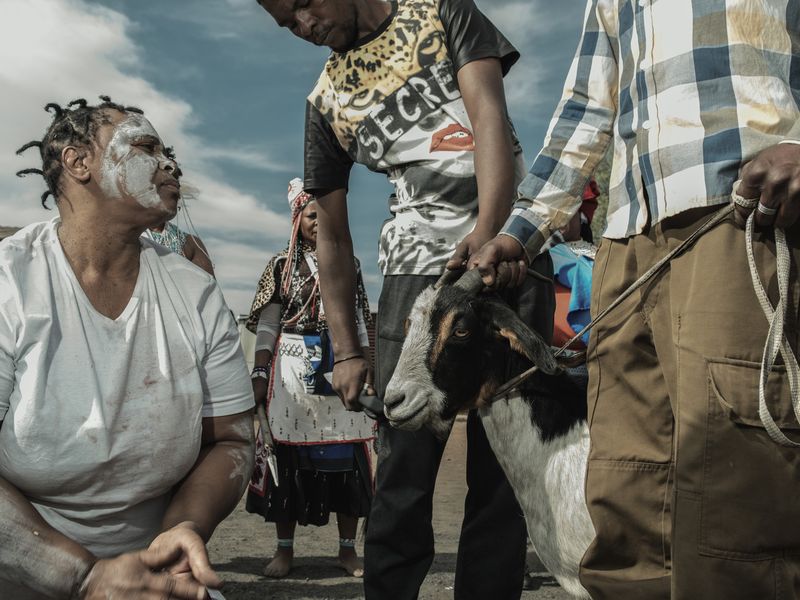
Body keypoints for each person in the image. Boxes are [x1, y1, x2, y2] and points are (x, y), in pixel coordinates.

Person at [470, 3, 800, 598]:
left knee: (735, 500)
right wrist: (520, 231)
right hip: (625, 240)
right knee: (627, 493)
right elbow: (585, 110)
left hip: (738, 214)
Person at [254, 1, 538, 598]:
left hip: (508, 257)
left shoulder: (438, 9)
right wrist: (349, 350)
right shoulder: (324, 102)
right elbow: (330, 233)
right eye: (287, 24)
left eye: (304, 5)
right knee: (403, 476)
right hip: (414, 279)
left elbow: (488, 115)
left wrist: (490, 235)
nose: (304, 26)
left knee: (504, 474)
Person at [2, 96, 255, 599]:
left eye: (170, 153)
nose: (170, 165)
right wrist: (83, 578)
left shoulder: (194, 291)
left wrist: (179, 534)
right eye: (146, 147)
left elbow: (232, 440)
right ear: (78, 163)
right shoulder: (11, 280)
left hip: (154, 575)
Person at [244, 178, 375, 579]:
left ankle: (347, 551)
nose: (318, 221)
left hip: (341, 365)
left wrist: (370, 369)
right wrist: (261, 371)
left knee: (348, 458)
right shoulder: (282, 265)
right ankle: (285, 551)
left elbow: (359, 322)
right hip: (293, 373)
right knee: (290, 460)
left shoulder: (348, 263)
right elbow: (268, 323)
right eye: (310, 215)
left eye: (324, 214)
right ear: (297, 218)